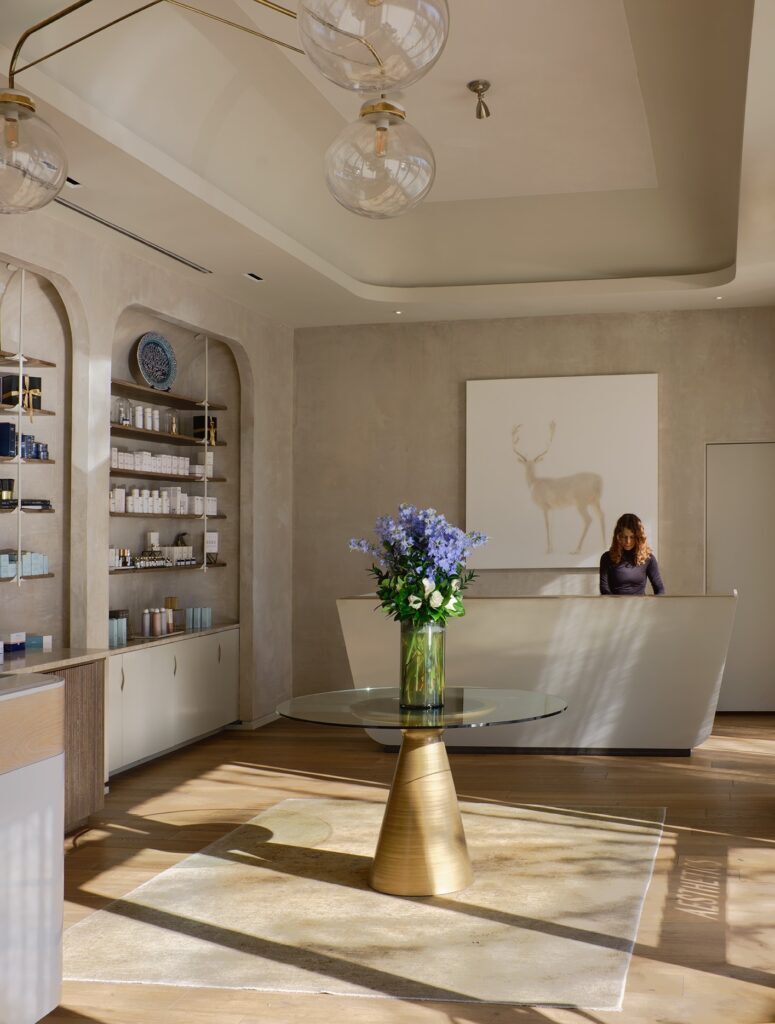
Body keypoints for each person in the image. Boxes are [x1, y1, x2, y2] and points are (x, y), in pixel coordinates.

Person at [599, 513, 665, 595]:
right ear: (618, 537)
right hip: (615, 603)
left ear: (638, 537)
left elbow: (660, 589)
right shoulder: (606, 558)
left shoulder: (648, 558)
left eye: (632, 537)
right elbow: (604, 589)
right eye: (624, 537)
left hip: (641, 603)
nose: (628, 541)